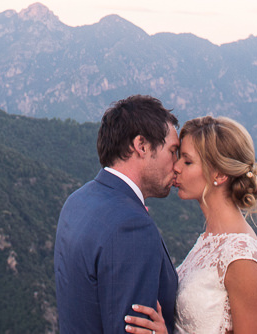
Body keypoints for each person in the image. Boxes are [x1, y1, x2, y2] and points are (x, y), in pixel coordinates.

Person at [123, 116, 257, 334]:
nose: (175, 167)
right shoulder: (210, 238)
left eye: (187, 161)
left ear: (220, 174)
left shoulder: (241, 256)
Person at [55, 94, 181, 334]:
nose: (176, 164)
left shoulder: (77, 201)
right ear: (141, 145)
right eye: (173, 151)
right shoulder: (131, 226)